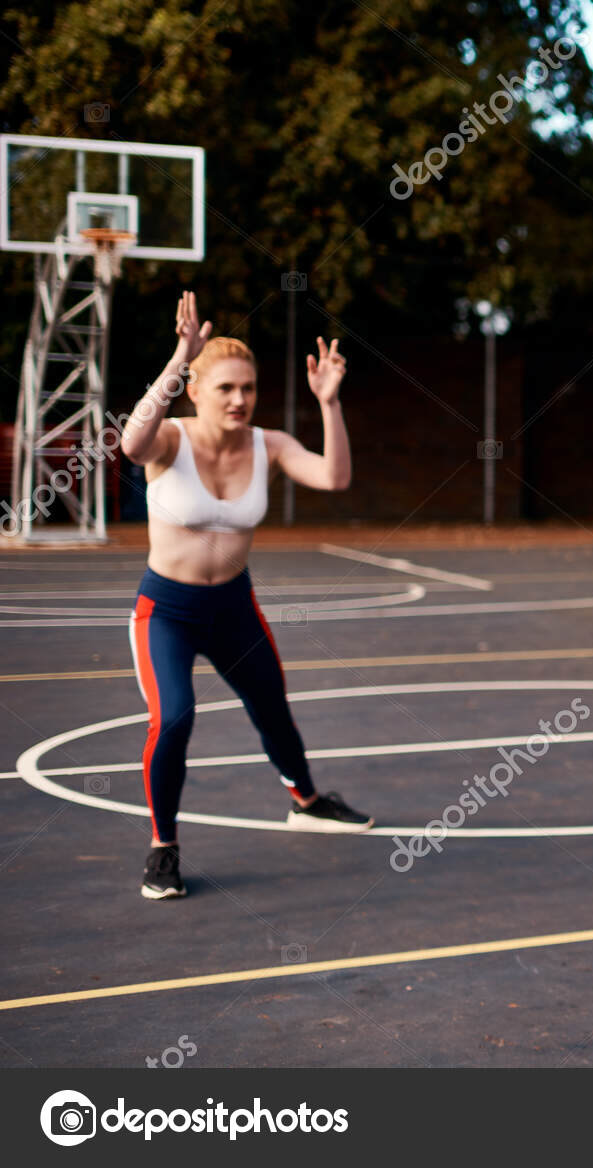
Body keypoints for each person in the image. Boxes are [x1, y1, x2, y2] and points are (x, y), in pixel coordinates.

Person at [120, 292, 374, 900]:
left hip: (235, 608)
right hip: (169, 614)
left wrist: (329, 405)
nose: (239, 400)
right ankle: (163, 848)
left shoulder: (270, 444)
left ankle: (307, 801)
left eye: (249, 389)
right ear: (195, 390)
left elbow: (335, 477)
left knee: (273, 710)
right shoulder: (170, 441)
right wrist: (181, 354)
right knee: (174, 717)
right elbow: (130, 444)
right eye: (226, 388)